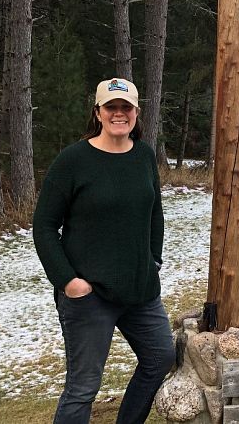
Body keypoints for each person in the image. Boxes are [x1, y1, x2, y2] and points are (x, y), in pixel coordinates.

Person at [33, 77, 175, 424]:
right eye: (111, 107)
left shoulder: (143, 154)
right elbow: (44, 226)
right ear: (98, 112)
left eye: (126, 107)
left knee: (160, 357)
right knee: (83, 387)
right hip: (89, 294)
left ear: (136, 112)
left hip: (140, 290)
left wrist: (153, 258)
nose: (118, 114)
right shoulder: (73, 160)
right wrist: (68, 282)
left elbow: (154, 210)